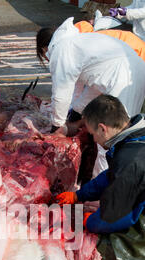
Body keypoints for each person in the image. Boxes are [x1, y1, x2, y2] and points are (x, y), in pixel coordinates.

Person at [36, 17, 145, 176]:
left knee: (111, 137)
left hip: (125, 77)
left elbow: (61, 92)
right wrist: (77, 111)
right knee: (124, 133)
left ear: (45, 49)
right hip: (131, 71)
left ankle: (103, 192)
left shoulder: (62, 49)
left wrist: (56, 126)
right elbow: (93, 85)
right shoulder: (76, 43)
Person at [56, 94, 145, 234]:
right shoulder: (136, 135)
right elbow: (113, 175)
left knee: (104, 239)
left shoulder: (130, 160)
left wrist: (89, 222)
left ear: (103, 129)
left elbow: (113, 217)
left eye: (92, 134)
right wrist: (79, 195)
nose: (95, 140)